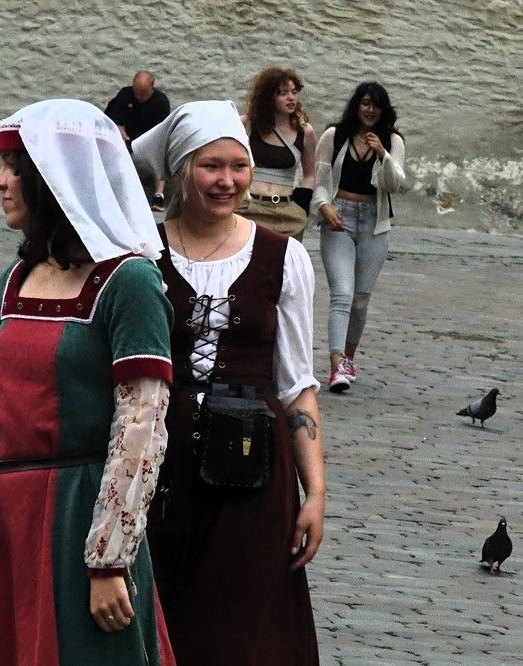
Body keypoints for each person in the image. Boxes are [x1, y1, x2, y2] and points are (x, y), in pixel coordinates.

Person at [0, 99, 176, 665]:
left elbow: (141, 427)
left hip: (75, 517)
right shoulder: (16, 279)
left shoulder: (129, 283)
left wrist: (108, 558)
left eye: (13, 167)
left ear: (51, 179)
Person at [132, 101, 326, 664]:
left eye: (239, 166)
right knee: (161, 617)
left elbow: (297, 385)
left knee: (241, 629)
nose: (227, 181)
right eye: (211, 166)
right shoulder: (141, 253)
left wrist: (314, 493)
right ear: (180, 170)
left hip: (252, 468)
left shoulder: (285, 257)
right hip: (159, 464)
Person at [311, 82, 406, 393]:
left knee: (361, 300)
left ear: (383, 110)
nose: (370, 110)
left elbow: (394, 185)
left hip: (374, 224)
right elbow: (320, 181)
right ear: (356, 105)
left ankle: (349, 357)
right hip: (339, 218)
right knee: (341, 293)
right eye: (365, 103)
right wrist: (323, 206)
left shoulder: (392, 141)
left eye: (376, 105)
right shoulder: (334, 136)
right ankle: (336, 364)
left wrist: (383, 154)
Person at [238, 66, 317, 241]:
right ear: (268, 97)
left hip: (286, 212)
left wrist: (302, 203)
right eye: (283, 93)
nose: (291, 98)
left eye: (294, 92)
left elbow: (310, 174)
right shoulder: (247, 125)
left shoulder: (305, 131)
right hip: (250, 208)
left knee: (284, 257)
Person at [104, 70, 171, 210]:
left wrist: (144, 144)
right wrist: (125, 140)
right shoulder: (124, 95)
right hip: (125, 139)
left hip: (149, 141)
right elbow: (118, 125)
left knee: (161, 152)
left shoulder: (161, 102)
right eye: (137, 93)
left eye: (143, 94)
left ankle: (158, 196)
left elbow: (161, 132)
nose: (139, 98)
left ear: (152, 88)